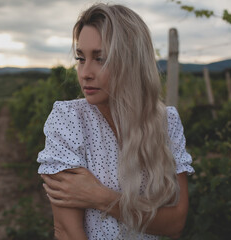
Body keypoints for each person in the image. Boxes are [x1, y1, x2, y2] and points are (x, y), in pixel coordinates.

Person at [37, 3, 194, 240]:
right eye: (81, 58)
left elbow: (175, 223)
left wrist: (100, 197)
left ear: (132, 62)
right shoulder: (69, 120)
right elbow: (68, 232)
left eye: (100, 59)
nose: (85, 72)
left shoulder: (166, 122)